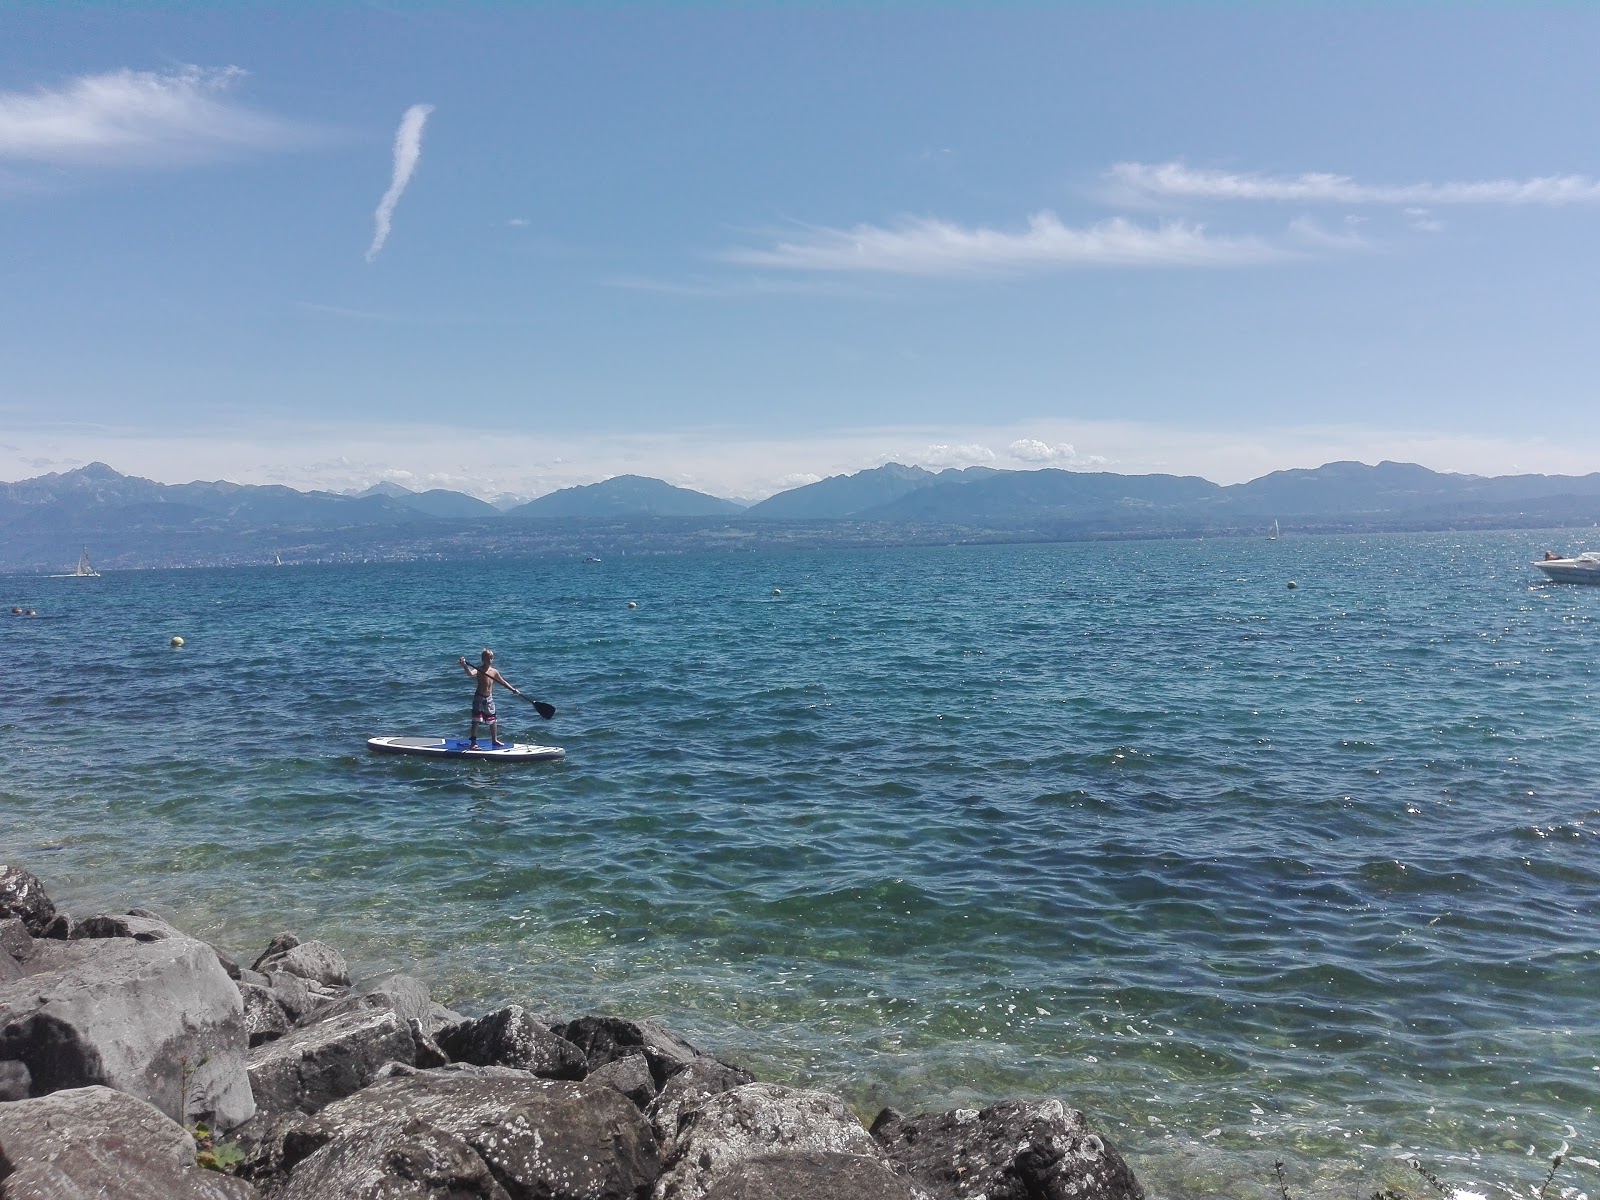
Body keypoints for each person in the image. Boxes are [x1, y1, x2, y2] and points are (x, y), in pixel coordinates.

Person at [458, 648, 527, 748]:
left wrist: (513, 690)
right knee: (476, 720)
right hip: (479, 698)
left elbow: (503, 682)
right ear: (483, 659)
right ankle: (473, 742)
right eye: (488, 658)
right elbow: (470, 674)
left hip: (489, 698)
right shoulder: (479, 669)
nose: (490, 660)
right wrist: (464, 665)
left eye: (492, 658)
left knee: (493, 720)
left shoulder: (494, 671)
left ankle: (494, 740)